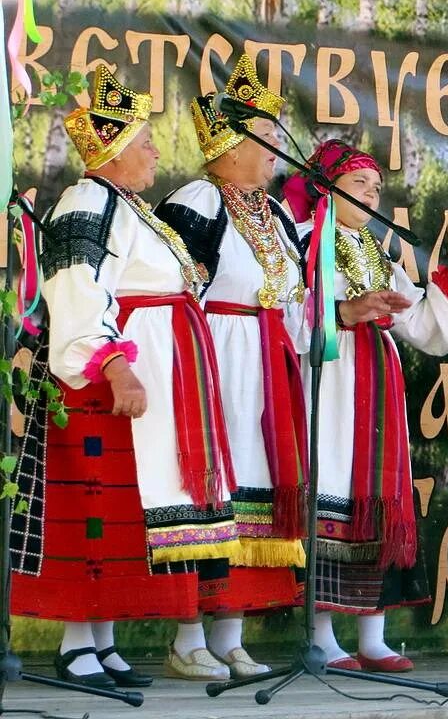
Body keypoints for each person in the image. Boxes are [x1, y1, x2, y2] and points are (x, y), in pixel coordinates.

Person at [9, 66, 238, 686]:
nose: (156, 152)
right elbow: (75, 284)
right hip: (100, 383)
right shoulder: (88, 199)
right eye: (144, 143)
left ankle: (101, 640)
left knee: (121, 514)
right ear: (111, 152)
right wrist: (114, 367)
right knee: (93, 505)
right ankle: (76, 642)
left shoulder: (128, 207)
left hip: (137, 378)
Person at [283, 139, 448, 672]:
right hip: (328, 380)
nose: (372, 195)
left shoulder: (374, 250)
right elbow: (283, 315)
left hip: (376, 385)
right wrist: (344, 312)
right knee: (330, 491)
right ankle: (322, 635)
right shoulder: (300, 241)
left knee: (376, 497)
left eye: (377, 188)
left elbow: (422, 326)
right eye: (359, 185)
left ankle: (372, 633)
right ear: (325, 185)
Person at [155, 53, 306, 679]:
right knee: (206, 491)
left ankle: (229, 633)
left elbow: (295, 295)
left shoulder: (279, 217)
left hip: (265, 363)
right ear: (233, 142)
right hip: (213, 356)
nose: (276, 151)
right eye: (268, 138)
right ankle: (186, 634)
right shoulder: (200, 199)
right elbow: (174, 289)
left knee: (250, 494)